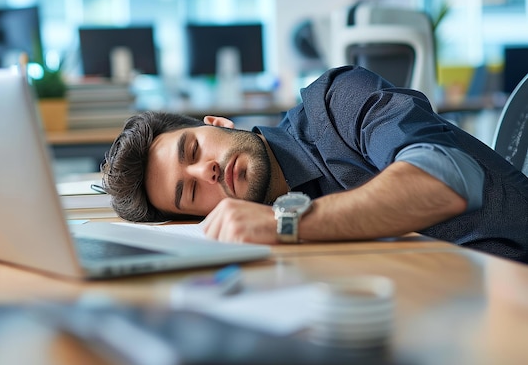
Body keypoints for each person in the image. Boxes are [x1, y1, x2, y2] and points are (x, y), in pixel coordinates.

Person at [101, 66, 528, 264]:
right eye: (190, 192)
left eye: (193, 151)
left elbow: (447, 179)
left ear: (216, 122)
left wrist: (287, 224)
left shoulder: (336, 103)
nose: (205, 172)